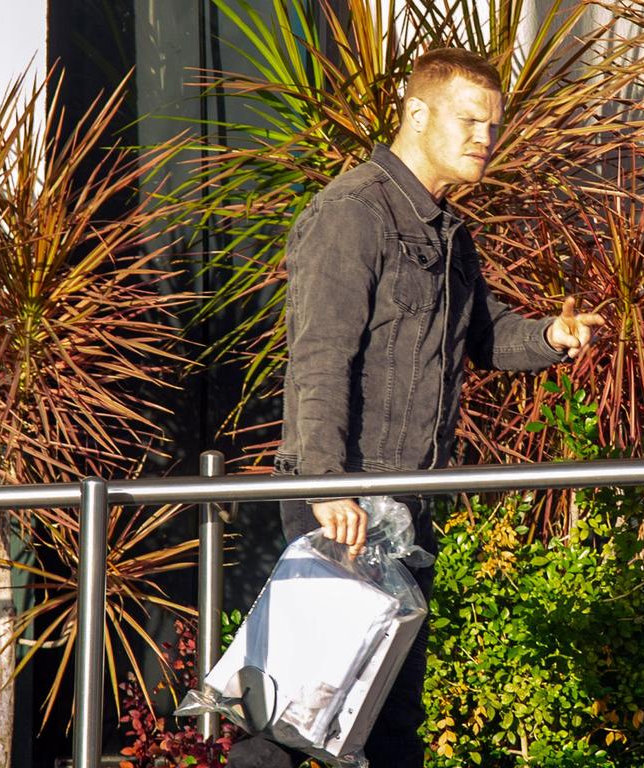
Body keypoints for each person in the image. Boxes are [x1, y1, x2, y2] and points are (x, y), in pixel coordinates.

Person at [225, 48, 603, 768]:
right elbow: (318, 358)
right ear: (417, 113)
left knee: (389, 718)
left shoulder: (446, 230)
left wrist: (553, 336)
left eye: (492, 126)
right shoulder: (352, 213)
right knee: (292, 723)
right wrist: (326, 484)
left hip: (409, 502)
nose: (484, 140)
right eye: (469, 121)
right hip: (344, 500)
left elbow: (485, 335)